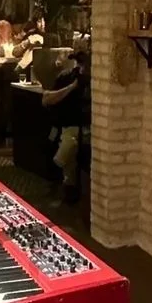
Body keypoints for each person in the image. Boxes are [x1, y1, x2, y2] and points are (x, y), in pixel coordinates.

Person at [42, 50, 89, 203]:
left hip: (89, 127)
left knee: (72, 143)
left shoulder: (97, 81)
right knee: (70, 141)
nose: (82, 67)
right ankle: (67, 184)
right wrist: (72, 87)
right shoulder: (66, 76)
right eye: (80, 63)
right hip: (67, 125)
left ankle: (68, 184)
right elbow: (46, 99)